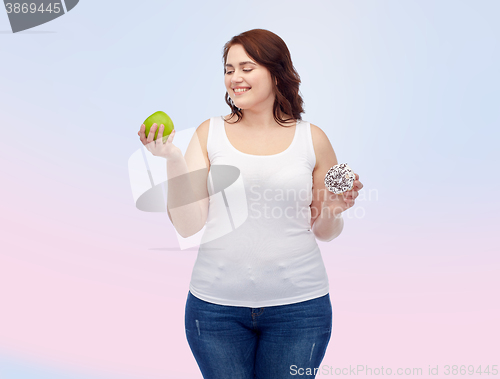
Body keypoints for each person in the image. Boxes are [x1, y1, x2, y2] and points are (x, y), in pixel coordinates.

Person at [138, 28, 363, 379]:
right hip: (214, 312)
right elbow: (188, 225)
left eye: (246, 67)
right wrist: (171, 158)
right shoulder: (208, 133)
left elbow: (325, 231)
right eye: (229, 70)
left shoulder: (312, 138)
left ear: (276, 73)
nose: (235, 78)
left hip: (300, 310)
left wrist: (333, 208)